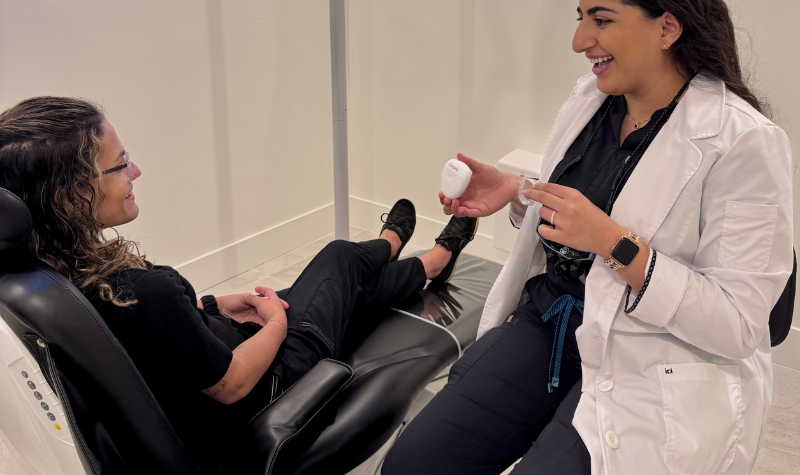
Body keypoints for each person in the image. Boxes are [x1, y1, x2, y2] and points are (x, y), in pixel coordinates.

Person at [383, 0, 794, 475]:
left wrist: (614, 244)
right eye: (580, 18)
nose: (580, 40)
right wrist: (516, 193)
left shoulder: (742, 142)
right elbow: (597, 201)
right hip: (550, 322)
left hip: (651, 354)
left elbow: (739, 325)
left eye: (601, 19)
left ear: (667, 28)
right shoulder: (592, 99)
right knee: (413, 464)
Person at [0, 97, 479, 473]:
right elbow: (232, 385)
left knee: (346, 285)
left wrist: (209, 305)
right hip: (269, 387)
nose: (136, 173)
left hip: (211, 367)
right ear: (72, 193)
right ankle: (416, 253)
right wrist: (274, 324)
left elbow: (154, 341)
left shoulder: (51, 276)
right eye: (121, 164)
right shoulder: (136, 293)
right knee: (338, 259)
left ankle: (401, 253)